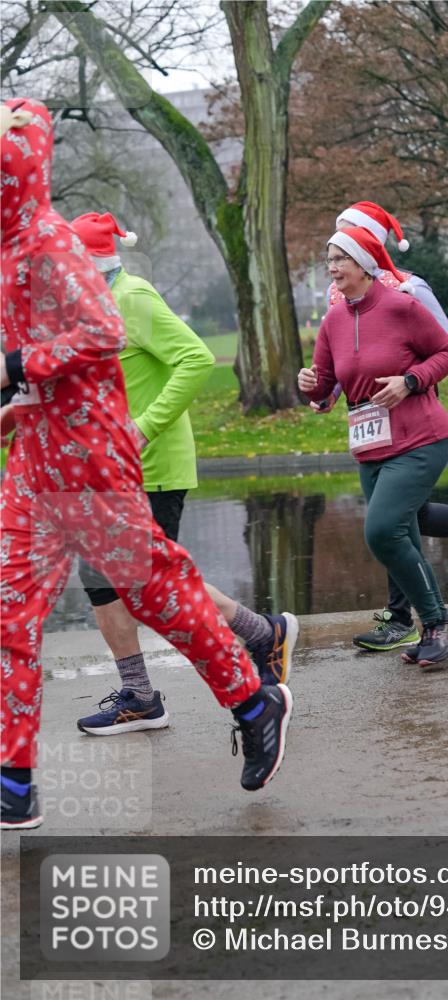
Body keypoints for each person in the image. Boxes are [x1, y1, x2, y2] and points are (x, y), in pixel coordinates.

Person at [0, 99, 293, 829]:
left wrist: (13, 364)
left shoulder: (48, 244)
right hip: (35, 463)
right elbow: (50, 364)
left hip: (96, 462)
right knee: (7, 614)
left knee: (158, 593)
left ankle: (254, 703)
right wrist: (21, 399)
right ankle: (13, 782)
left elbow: (100, 331)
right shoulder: (8, 250)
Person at [68, 212, 298, 736]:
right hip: (109, 474)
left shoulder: (133, 297)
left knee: (151, 584)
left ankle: (260, 636)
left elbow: (195, 358)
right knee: (103, 580)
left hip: (152, 469)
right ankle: (142, 694)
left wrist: (143, 428)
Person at [298, 226, 448, 671]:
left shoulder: (402, 306)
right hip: (371, 443)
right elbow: (326, 386)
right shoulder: (333, 321)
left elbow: (447, 352)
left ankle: (438, 625)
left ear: (364, 264)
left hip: (421, 436)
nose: (333, 268)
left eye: (340, 259)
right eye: (329, 260)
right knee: (407, 524)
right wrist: (312, 387)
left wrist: (411, 381)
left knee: (382, 531)